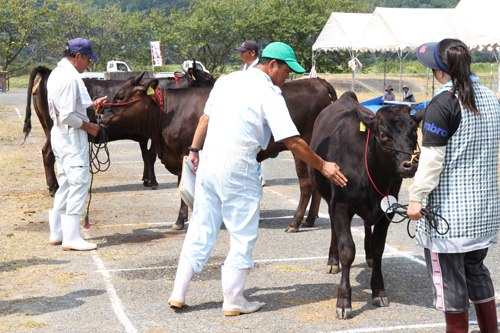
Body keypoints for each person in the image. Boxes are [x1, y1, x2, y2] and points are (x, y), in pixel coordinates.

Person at [168, 42, 348, 316]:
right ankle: (234, 299)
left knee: (201, 227)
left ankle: (178, 293)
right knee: (242, 234)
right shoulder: (269, 93)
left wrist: (194, 151)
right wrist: (323, 165)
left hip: (209, 159)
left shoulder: (227, 81)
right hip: (239, 163)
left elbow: (205, 118)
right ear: (273, 64)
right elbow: (292, 141)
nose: (288, 77)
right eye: (287, 70)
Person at [407, 38, 500, 333]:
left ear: (440, 72)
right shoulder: (490, 97)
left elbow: (432, 161)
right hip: (484, 211)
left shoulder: (443, 102)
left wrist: (415, 197)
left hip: (449, 217)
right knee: (477, 271)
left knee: (450, 283)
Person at [47, 38, 107, 251]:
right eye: (88, 59)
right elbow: (68, 116)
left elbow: (65, 110)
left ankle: (57, 233)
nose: (89, 64)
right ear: (78, 56)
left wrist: (90, 105)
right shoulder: (71, 79)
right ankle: (71, 237)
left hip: (59, 135)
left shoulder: (56, 73)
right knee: (79, 183)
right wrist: (90, 127)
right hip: (72, 136)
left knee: (65, 182)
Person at [235, 40, 269, 186]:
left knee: (258, 143)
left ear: (252, 53)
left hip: (257, 111)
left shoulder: (259, 68)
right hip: (246, 110)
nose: (241, 54)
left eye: (243, 51)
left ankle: (260, 176)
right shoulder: (245, 67)